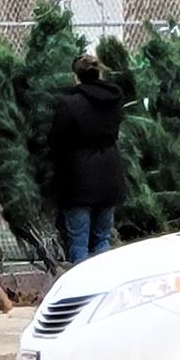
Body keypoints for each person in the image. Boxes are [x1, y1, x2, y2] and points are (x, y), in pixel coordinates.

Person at [47, 54, 125, 264]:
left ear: (76, 77)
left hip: (78, 179)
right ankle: (104, 288)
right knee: (102, 238)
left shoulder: (70, 104)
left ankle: (83, 291)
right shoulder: (114, 100)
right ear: (98, 73)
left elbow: (55, 138)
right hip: (110, 173)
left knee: (78, 242)